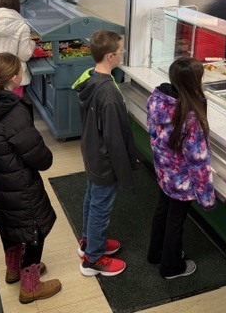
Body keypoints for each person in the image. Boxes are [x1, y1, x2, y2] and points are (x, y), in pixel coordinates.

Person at [0, 53, 61, 304]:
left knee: (8, 223)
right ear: (16, 77)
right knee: (34, 229)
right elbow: (38, 155)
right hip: (20, 185)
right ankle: (30, 286)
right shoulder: (13, 112)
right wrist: (46, 157)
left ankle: (12, 269)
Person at [71, 29, 139, 277]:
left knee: (92, 197)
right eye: (121, 52)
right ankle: (94, 260)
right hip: (105, 160)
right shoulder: (109, 94)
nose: (123, 55)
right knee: (101, 206)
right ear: (110, 56)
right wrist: (126, 173)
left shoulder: (90, 77)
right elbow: (115, 139)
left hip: (92, 152)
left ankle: (89, 241)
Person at [146, 57, 216, 279]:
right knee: (176, 221)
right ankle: (171, 266)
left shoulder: (157, 99)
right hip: (182, 180)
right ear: (195, 81)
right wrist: (207, 197)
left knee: (162, 210)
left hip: (163, 170)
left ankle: (156, 253)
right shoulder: (190, 115)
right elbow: (199, 161)